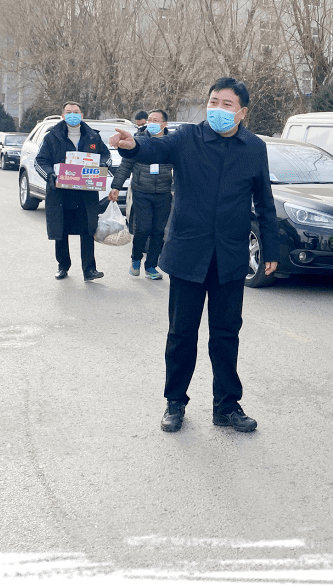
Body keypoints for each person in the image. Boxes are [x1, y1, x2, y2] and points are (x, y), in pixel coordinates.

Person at [109, 78, 278, 435]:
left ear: (242, 112)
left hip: (229, 257)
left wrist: (271, 249)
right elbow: (155, 148)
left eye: (227, 104)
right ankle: (175, 402)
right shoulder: (188, 138)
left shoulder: (254, 148)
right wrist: (133, 145)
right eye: (213, 101)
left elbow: (264, 201)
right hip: (189, 253)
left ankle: (227, 406)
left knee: (226, 334)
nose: (217, 109)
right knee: (182, 334)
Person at [34, 101, 112, 281]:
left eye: (76, 112)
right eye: (68, 112)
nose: (72, 115)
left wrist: (101, 166)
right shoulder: (52, 136)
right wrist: (50, 175)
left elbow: (106, 157)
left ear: (82, 115)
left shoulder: (93, 136)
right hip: (61, 193)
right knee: (61, 231)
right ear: (62, 116)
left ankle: (89, 269)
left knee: (88, 231)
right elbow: (40, 161)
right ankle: (63, 266)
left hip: (86, 193)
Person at [109, 109, 173, 280]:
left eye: (156, 120)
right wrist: (116, 186)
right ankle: (136, 259)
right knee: (143, 228)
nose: (151, 123)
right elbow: (125, 165)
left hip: (163, 193)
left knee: (158, 231)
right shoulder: (138, 141)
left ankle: (151, 266)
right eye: (150, 120)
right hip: (141, 191)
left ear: (164, 124)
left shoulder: (171, 144)